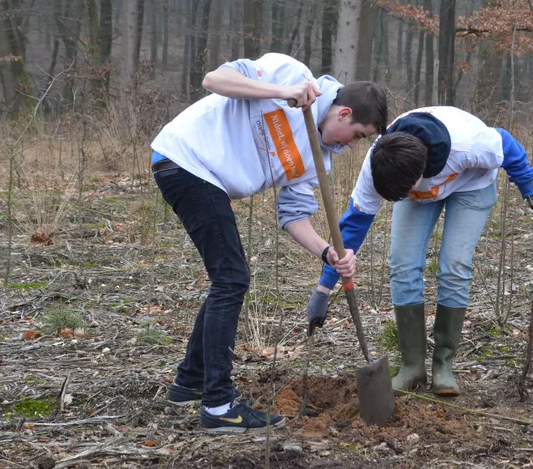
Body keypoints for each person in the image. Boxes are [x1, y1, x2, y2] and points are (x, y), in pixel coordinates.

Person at [151, 53, 388, 432]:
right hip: (187, 159)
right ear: (343, 114)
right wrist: (283, 92)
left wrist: (328, 253)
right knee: (231, 278)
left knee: (227, 278)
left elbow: (293, 215)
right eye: (358, 135)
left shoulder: (319, 159)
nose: (354, 146)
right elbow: (214, 79)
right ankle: (218, 406)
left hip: (205, 178)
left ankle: (190, 382)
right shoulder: (289, 73)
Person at [306, 106, 533, 396]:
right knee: (402, 264)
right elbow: (352, 228)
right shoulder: (382, 162)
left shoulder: (470, 144)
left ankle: (444, 366)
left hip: (471, 184)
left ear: (422, 174)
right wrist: (323, 289)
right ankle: (413, 366)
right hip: (411, 178)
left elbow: (508, 146)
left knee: (455, 266)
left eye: (406, 191)